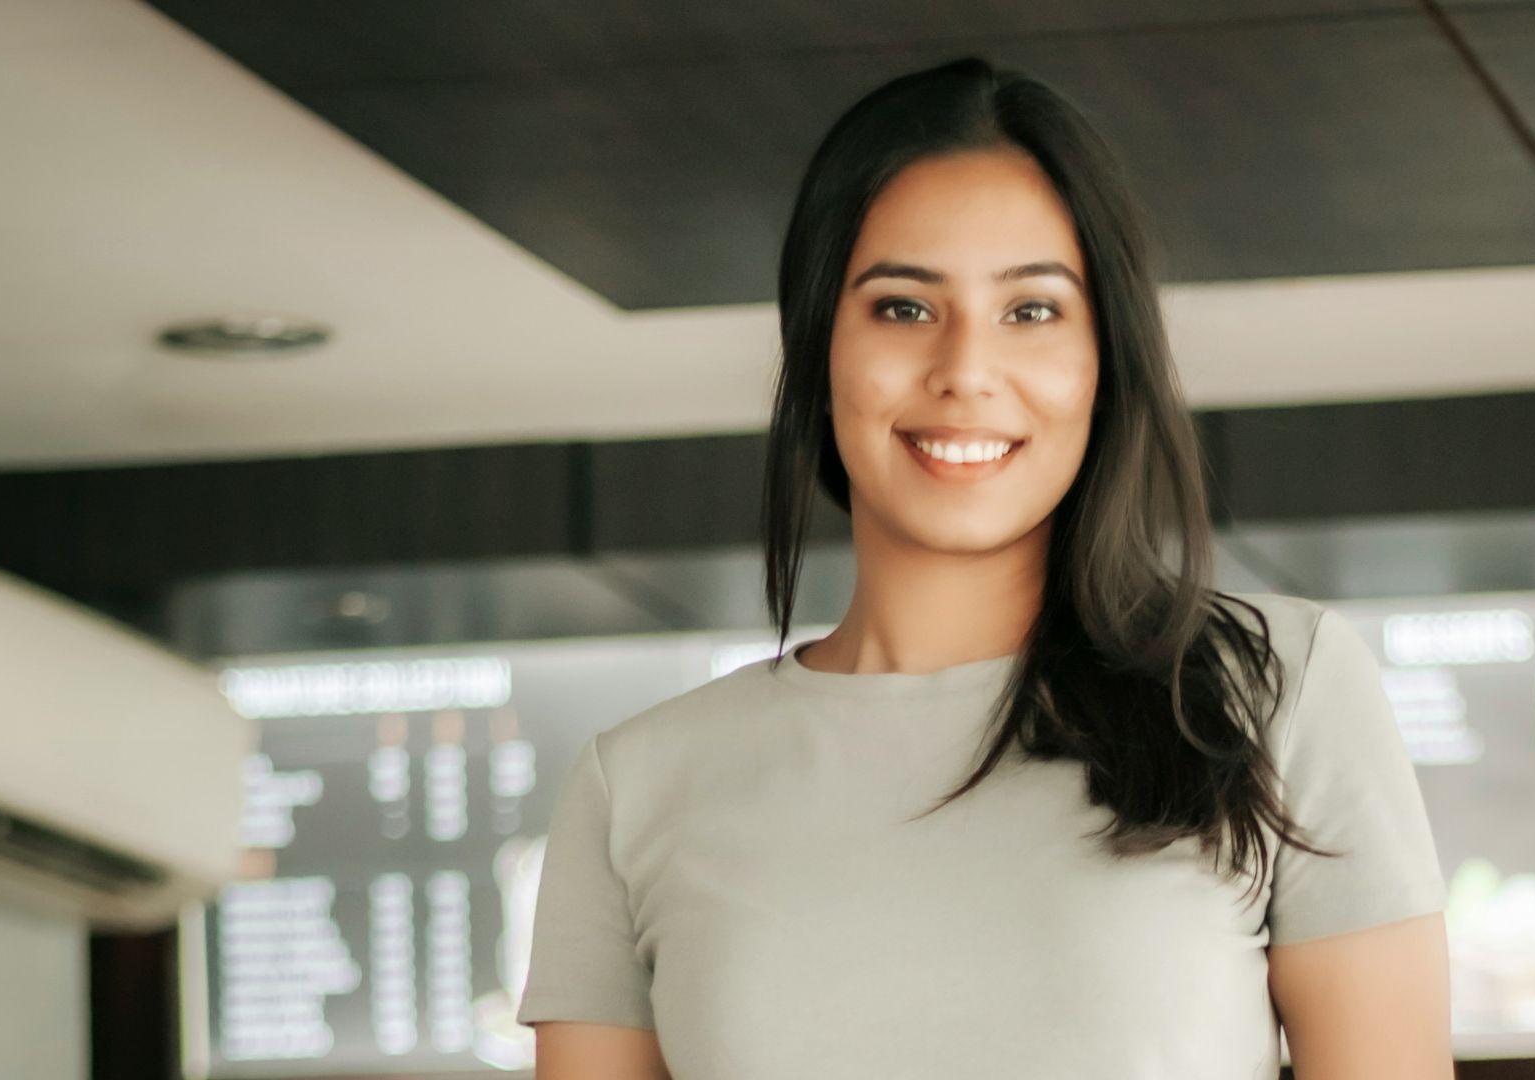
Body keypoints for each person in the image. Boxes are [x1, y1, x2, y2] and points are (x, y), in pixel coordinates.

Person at [518, 56, 1451, 1079]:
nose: (965, 370)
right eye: (903, 307)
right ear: (819, 346)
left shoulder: (1275, 688)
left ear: (1107, 359)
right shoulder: (635, 788)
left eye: (1032, 311)